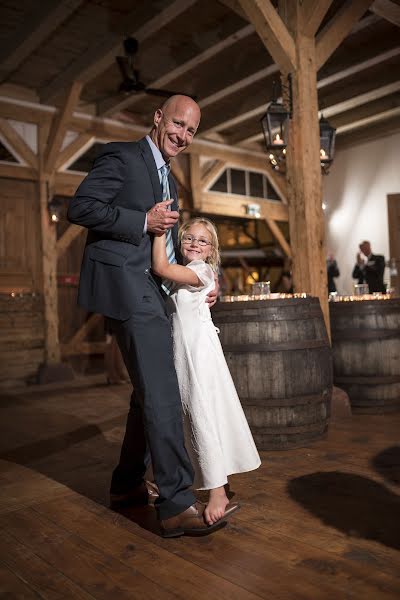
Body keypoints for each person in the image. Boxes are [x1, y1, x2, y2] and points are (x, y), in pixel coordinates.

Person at [68, 95, 233, 537]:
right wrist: (141, 220)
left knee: (147, 395)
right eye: (178, 124)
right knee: (162, 391)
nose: (182, 135)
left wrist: (204, 284)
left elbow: (174, 249)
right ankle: (177, 503)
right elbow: (81, 207)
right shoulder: (121, 156)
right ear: (159, 118)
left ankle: (125, 487)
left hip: (155, 289)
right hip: (125, 284)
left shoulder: (172, 184)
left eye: (191, 131)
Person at [152, 217, 261, 525]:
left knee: (200, 414)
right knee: (203, 414)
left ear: (212, 250)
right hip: (188, 350)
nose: (195, 244)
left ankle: (217, 493)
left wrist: (158, 232)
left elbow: (161, 267)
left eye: (203, 240)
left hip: (197, 352)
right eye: (189, 238)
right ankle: (219, 483)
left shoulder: (201, 270)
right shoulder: (189, 272)